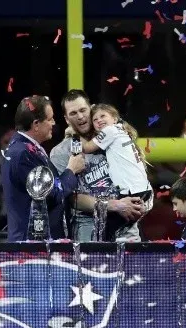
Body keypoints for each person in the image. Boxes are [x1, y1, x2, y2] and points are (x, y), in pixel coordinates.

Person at [50, 90, 144, 241]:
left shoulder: (114, 137)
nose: (80, 116)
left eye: (83, 110)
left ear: (91, 108)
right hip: (88, 227)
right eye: (73, 113)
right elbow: (71, 198)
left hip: (125, 222)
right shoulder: (60, 152)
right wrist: (114, 205)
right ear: (67, 119)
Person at [1, 95, 85, 241]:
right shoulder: (23, 154)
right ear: (36, 124)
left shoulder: (26, 148)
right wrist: (71, 169)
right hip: (31, 245)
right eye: (50, 119)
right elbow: (52, 194)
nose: (53, 122)